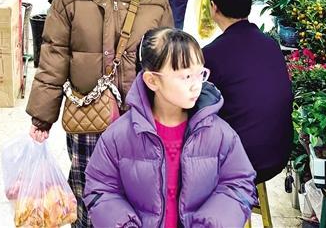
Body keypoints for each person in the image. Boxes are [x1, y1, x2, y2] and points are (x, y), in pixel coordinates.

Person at [26, 0, 174, 228]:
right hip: (89, 117)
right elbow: (54, 52)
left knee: (136, 197)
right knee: (88, 193)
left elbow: (168, 58)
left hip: (139, 118)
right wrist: (42, 115)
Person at [84, 28, 256, 228]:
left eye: (200, 74)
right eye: (186, 76)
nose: (196, 85)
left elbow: (239, 185)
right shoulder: (118, 136)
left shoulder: (219, 133)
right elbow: (100, 189)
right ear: (152, 80)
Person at [203, 0, 293, 186]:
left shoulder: (211, 55)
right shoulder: (270, 45)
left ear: (214, 7)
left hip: (240, 163)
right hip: (279, 154)